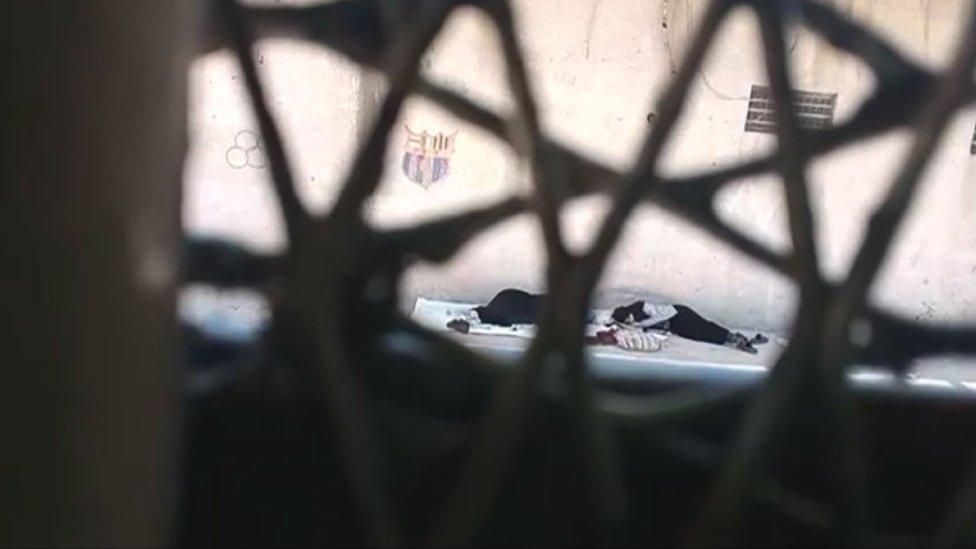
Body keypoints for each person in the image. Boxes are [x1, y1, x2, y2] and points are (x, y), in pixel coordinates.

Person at [446, 288, 768, 354]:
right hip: (607, 320)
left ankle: (728, 337)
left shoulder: (515, 304)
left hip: (609, 316)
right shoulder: (515, 310)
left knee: (678, 314)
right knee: (677, 317)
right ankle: (729, 338)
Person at [610, 300, 767, 354]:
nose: (630, 320)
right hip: (676, 326)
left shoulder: (641, 307)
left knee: (703, 328)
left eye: (628, 317)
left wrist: (643, 325)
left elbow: (661, 315)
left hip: (678, 315)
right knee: (700, 336)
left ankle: (733, 337)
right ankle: (732, 339)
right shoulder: (634, 321)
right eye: (627, 320)